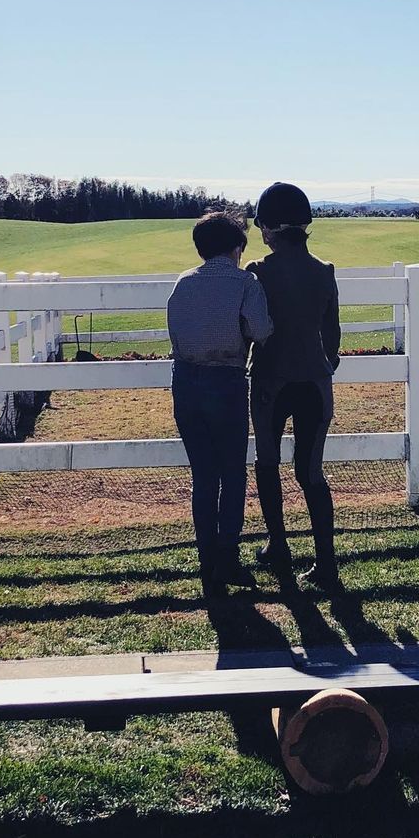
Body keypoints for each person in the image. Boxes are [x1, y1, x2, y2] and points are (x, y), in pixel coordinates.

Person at [167, 212, 273, 595]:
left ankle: (206, 559)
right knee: (232, 474)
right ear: (237, 248)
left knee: (203, 475)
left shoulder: (183, 283)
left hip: (185, 382)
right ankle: (227, 556)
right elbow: (261, 331)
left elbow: (175, 331)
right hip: (225, 381)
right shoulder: (245, 283)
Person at [246, 182, 343, 592]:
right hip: (315, 384)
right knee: (312, 473)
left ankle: (278, 546)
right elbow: (333, 337)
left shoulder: (258, 272)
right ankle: (326, 562)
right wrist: (324, 366)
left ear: (269, 228)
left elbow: (249, 330)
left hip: (271, 382)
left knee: (268, 464)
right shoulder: (324, 272)